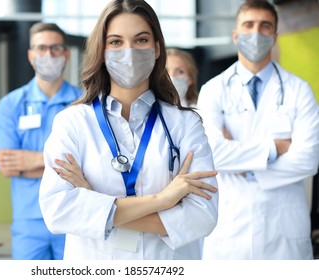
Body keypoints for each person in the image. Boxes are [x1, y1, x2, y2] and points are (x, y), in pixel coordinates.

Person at [38, 0, 218, 260]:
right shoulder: (72, 123)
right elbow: (58, 211)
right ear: (101, 51)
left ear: (157, 48)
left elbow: (203, 216)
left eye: (141, 40)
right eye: (116, 42)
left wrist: (94, 202)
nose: (129, 51)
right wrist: (162, 200)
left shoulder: (185, 124)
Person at [197, 0, 319, 259]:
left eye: (265, 26)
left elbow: (309, 160)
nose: (256, 33)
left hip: (285, 232)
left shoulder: (299, 90)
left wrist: (245, 169)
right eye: (248, 25)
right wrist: (276, 148)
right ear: (235, 35)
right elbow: (212, 155)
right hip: (231, 231)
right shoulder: (213, 90)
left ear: (275, 36)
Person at [0, 22, 82, 260]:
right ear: (31, 55)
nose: (48, 55)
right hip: (29, 220)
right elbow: (6, 165)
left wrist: (30, 161)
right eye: (41, 48)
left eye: (55, 48)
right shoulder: (11, 104)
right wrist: (63, 166)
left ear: (66, 54)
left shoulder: (83, 103)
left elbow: (89, 163)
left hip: (73, 212)